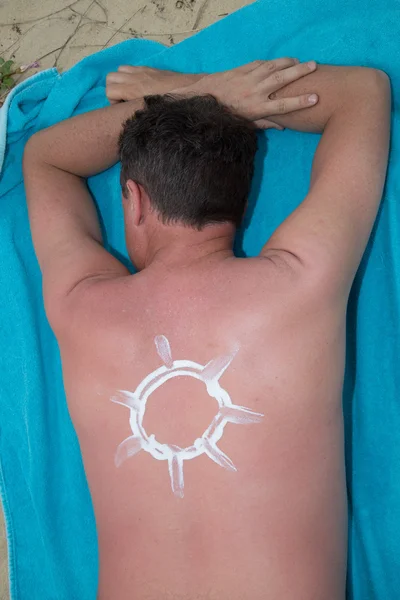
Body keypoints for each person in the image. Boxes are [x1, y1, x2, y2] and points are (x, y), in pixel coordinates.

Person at [23, 58, 390, 600]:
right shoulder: (300, 282)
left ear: (135, 201)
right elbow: (365, 91)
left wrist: (201, 93)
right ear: (243, 201)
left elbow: (45, 157)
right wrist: (198, 94)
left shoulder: (82, 307)